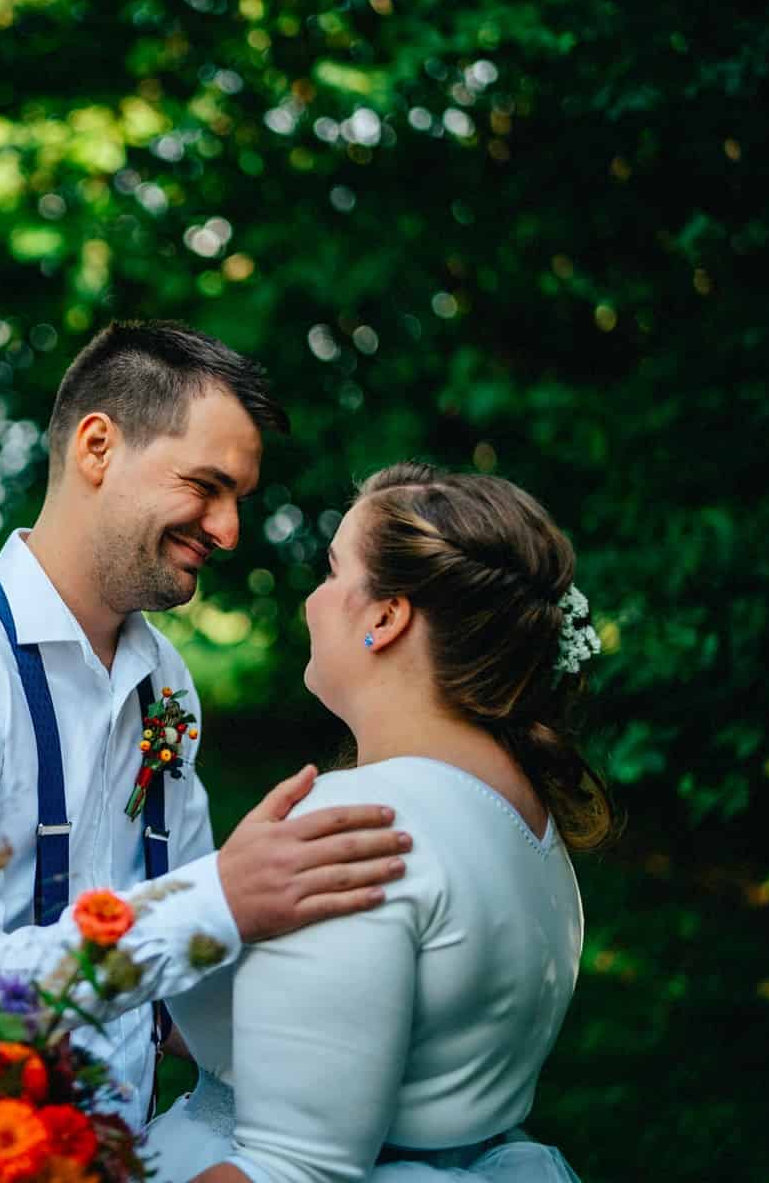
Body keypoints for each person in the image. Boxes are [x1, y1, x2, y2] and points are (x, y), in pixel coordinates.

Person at [0, 321, 414, 1120]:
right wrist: (216, 900)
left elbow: (187, 964)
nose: (228, 531)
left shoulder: (164, 684)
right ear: (97, 447)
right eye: (205, 486)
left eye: (237, 500)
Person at [145, 462, 612, 1182]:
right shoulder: (525, 817)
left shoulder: (355, 826)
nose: (313, 602)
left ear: (387, 617)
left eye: (333, 573)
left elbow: (291, 1170)